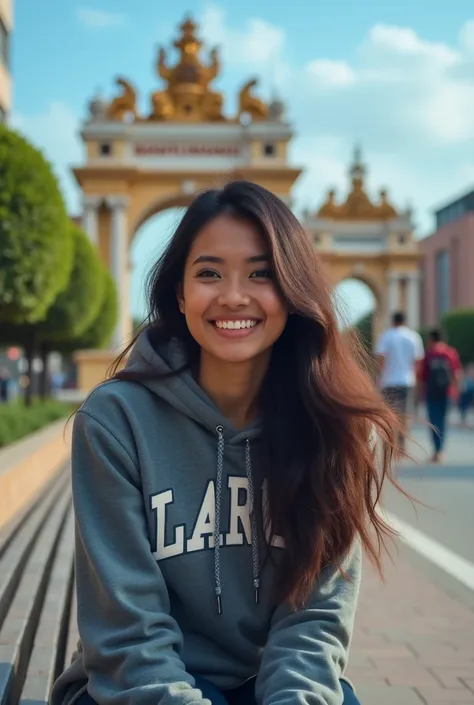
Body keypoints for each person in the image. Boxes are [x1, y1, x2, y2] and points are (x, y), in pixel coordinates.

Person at [51, 182, 405, 705]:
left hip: (271, 683)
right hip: (138, 685)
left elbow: (315, 622)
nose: (233, 296)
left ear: (292, 290)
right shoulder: (116, 421)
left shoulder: (337, 429)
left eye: (261, 273)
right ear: (180, 293)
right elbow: (128, 636)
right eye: (209, 273)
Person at [375, 311, 424, 452]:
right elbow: (418, 361)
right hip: (407, 380)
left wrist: (380, 375)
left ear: (393, 322)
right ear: (405, 321)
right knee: (404, 412)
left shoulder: (386, 336)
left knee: (389, 412)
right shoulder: (413, 337)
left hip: (389, 381)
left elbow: (380, 359)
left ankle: (391, 442)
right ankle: (402, 443)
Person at [422, 329, 461, 463]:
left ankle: (436, 450)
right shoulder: (450, 353)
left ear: (432, 339)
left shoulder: (428, 354)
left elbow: (423, 376)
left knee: (433, 421)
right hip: (446, 392)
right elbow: (456, 374)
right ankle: (440, 451)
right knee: (443, 422)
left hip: (431, 393)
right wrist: (456, 391)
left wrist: (418, 395)